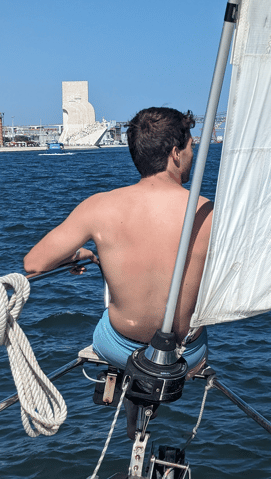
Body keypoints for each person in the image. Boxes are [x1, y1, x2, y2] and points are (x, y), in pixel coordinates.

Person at [24, 107, 213, 374]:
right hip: (184, 354)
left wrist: (80, 255)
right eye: (191, 146)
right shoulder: (208, 213)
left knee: (108, 324)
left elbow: (35, 262)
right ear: (175, 153)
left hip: (122, 349)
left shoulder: (99, 206)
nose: (192, 154)